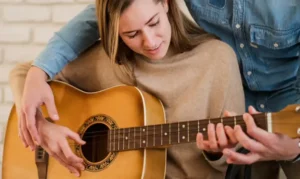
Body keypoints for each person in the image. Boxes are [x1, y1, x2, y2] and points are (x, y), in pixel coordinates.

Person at [10, 0, 245, 178]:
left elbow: (232, 161)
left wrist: (218, 151)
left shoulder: (217, 60)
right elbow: (23, 73)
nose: (150, 42)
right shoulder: (107, 60)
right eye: (131, 34)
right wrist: (40, 127)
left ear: (165, 4)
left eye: (154, 23)